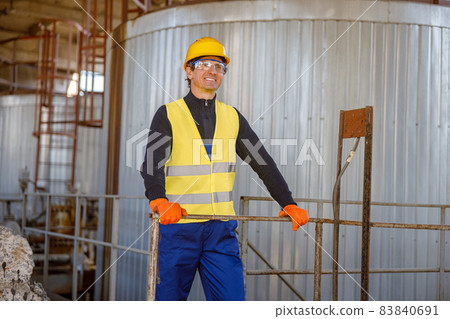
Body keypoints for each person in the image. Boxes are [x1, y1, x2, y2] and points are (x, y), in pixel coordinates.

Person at [141, 37, 309, 301]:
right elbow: (152, 163)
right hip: (179, 228)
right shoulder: (168, 114)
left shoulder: (233, 117)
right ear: (189, 70)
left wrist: (288, 202)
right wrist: (159, 199)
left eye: (219, 66)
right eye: (204, 64)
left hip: (220, 232)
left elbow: (262, 162)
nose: (212, 71)